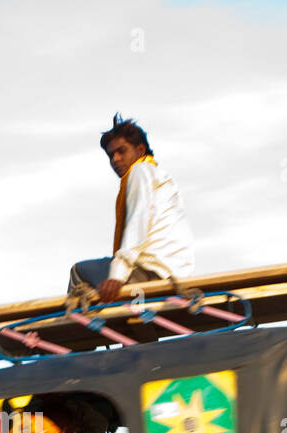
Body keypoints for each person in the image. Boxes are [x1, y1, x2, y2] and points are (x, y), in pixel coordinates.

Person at [68, 113, 195, 305]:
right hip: (172, 272)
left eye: (121, 151)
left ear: (140, 149)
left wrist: (117, 275)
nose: (116, 159)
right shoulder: (160, 177)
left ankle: (74, 331)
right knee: (102, 288)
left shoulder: (140, 170)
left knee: (78, 272)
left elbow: (138, 220)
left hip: (149, 272)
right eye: (111, 155)